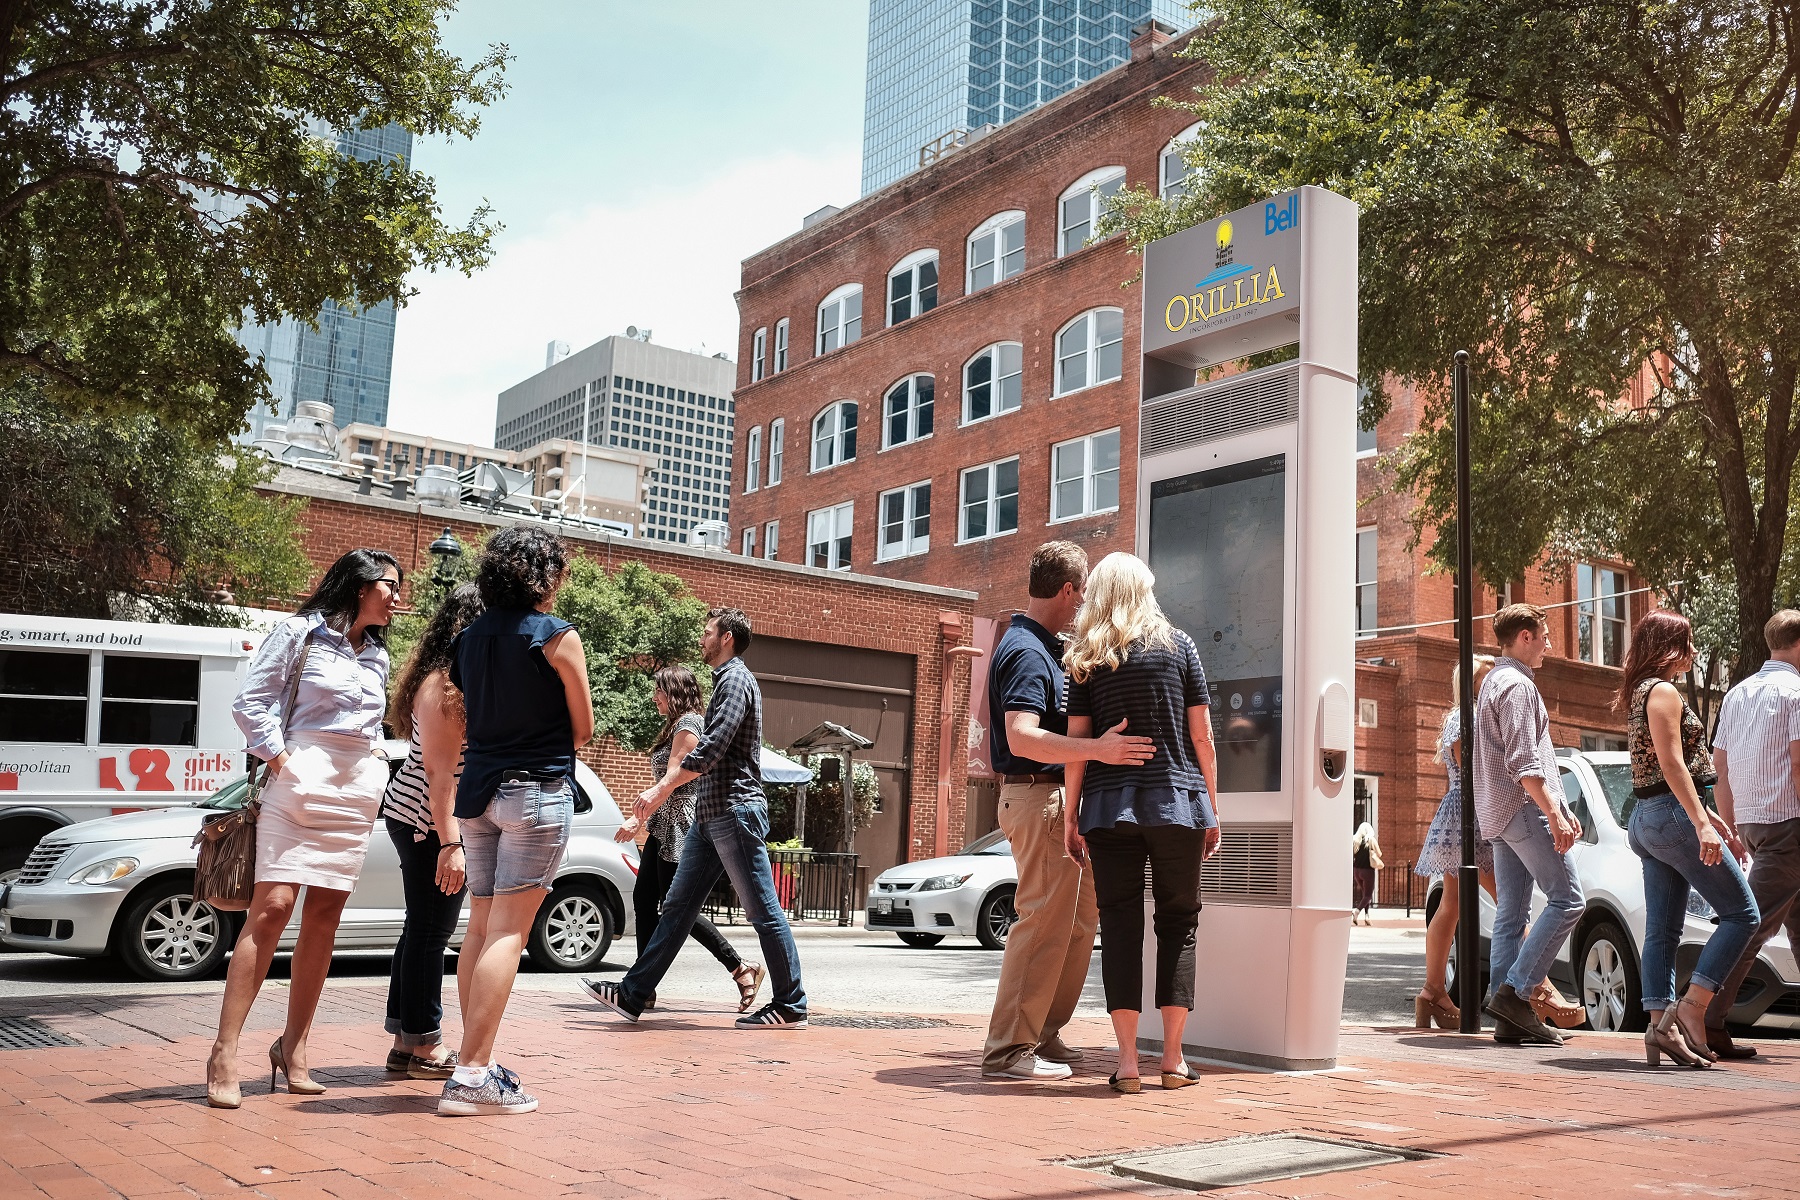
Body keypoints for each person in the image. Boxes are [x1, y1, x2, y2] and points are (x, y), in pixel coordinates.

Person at [206, 548, 402, 1109]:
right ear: (357, 585)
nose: (395, 597)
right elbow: (252, 703)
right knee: (270, 910)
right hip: (300, 777)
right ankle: (225, 1049)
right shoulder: (299, 633)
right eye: (388, 585)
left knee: (325, 919)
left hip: (356, 788)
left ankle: (293, 1049)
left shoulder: (378, 655)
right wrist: (282, 762)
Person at [583, 607, 809, 1028]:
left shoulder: (736, 680)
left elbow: (709, 751)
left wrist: (659, 790)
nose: (702, 640)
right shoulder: (726, 680)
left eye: (707, 633)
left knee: (763, 912)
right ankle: (633, 995)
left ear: (726, 638)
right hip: (710, 816)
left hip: (734, 811)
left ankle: (791, 1004)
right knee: (676, 908)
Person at [980, 541, 1155, 1082]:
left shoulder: (1041, 645)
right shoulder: (1029, 652)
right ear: (1068, 590)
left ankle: (1043, 1033)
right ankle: (1008, 1050)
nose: (1082, 609)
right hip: (1038, 796)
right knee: (1042, 923)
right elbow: (1021, 735)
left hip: (1053, 799)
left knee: (1078, 925)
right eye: (1080, 598)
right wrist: (1098, 749)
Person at [437, 528, 593, 1117]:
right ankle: (474, 1075)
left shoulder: (467, 639)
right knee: (509, 932)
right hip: (537, 791)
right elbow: (583, 729)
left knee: (478, 929)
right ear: (542, 575)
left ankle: (470, 1060)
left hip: (478, 793)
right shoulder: (556, 637)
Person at [1062, 553, 1219, 1094]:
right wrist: (1211, 806)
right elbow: (1203, 738)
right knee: (1179, 923)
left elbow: (1079, 748)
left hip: (1107, 810)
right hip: (1176, 804)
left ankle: (1127, 1064)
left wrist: (1071, 814)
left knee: (1121, 927)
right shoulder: (1181, 649)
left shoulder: (1086, 657)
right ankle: (1172, 1061)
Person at [1620, 609, 1758, 1068]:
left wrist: (1710, 816)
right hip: (1670, 815)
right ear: (1667, 648)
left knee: (1662, 930)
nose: (1694, 653)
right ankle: (1693, 1007)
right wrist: (1699, 821)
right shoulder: (1662, 691)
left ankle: (1660, 1027)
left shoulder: (1639, 690)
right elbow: (1672, 763)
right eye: (1687, 643)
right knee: (1743, 914)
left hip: (1650, 816)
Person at [613, 664, 765, 1012]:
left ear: (674, 692)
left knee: (677, 906)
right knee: (644, 898)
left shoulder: (689, 724)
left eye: (659, 690)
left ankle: (740, 967)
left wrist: (637, 817)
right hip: (663, 825)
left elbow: (674, 778)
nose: (654, 697)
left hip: (680, 824)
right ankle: (642, 986)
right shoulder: (675, 727)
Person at [379, 584, 483, 1081]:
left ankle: (405, 1041)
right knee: (430, 931)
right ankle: (424, 1044)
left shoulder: (444, 680)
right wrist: (452, 844)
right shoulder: (445, 689)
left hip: (415, 816)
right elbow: (442, 777)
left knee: (419, 927)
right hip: (426, 822)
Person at [1472, 603, 1584, 1046]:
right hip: (1521, 807)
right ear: (1524, 637)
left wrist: (1559, 803)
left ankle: (1508, 1018)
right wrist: (1553, 811)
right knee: (1569, 899)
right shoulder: (1516, 686)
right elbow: (1525, 763)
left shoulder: (1492, 684)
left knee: (1511, 914)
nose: (1549, 645)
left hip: (1499, 813)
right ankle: (1515, 993)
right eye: (1545, 636)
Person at [1707, 609, 1800, 1060]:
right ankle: (1705, 1017)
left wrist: (1733, 828)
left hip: (1755, 824)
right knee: (1750, 925)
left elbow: (1719, 769)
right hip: (1790, 825)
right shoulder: (1797, 693)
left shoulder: (1738, 694)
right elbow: (1799, 763)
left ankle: (1704, 1014)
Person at [1413, 656, 1497, 1028]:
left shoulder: (1472, 713)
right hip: (1471, 815)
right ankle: (1532, 988)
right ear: (1470, 682)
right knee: (1509, 900)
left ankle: (1432, 992)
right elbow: (1471, 771)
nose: (1491, 681)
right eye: (1485, 675)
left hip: (1466, 813)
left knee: (1452, 904)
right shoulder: (1468, 715)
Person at [1350, 822, 1382, 925]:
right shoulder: (1371, 840)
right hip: (1367, 871)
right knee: (1368, 895)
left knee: (1364, 895)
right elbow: (1379, 853)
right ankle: (1357, 911)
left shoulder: (1355, 840)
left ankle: (1367, 917)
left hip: (1357, 870)